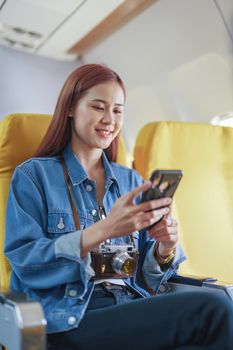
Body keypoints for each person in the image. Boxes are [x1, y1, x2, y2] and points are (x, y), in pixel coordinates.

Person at [4, 64, 233, 350]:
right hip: (69, 318)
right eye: (99, 107)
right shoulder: (34, 176)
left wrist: (164, 249)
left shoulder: (130, 181)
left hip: (131, 305)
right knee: (213, 309)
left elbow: (148, 280)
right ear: (71, 108)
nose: (109, 120)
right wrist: (101, 231)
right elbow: (25, 262)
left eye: (118, 110)